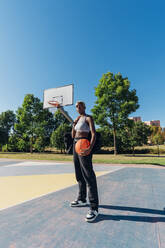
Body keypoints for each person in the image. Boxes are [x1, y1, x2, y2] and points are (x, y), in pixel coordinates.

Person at [70, 101, 99, 222]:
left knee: (88, 175)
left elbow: (93, 134)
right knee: (79, 174)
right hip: (75, 145)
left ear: (85, 107)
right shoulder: (77, 119)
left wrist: (89, 148)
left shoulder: (88, 118)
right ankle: (82, 199)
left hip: (84, 145)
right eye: (76, 106)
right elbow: (73, 135)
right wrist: (73, 125)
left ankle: (94, 208)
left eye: (80, 105)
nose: (78, 107)